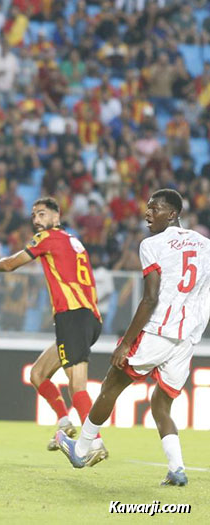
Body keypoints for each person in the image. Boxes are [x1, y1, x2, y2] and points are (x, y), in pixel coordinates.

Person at [56, 189, 210, 486]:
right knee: (161, 404)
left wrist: (126, 342)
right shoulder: (205, 244)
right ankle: (177, 469)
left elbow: (150, 298)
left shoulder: (152, 244)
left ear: (173, 213)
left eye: (155, 208)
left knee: (110, 386)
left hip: (157, 331)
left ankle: (82, 449)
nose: (147, 214)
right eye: (148, 208)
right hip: (187, 338)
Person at [0, 198, 107, 462]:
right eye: (33, 215)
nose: (36, 219)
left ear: (57, 215)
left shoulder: (47, 237)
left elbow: (11, 264)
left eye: (42, 213)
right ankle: (65, 422)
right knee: (38, 374)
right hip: (87, 317)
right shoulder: (74, 242)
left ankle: (95, 441)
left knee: (77, 387)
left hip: (74, 316)